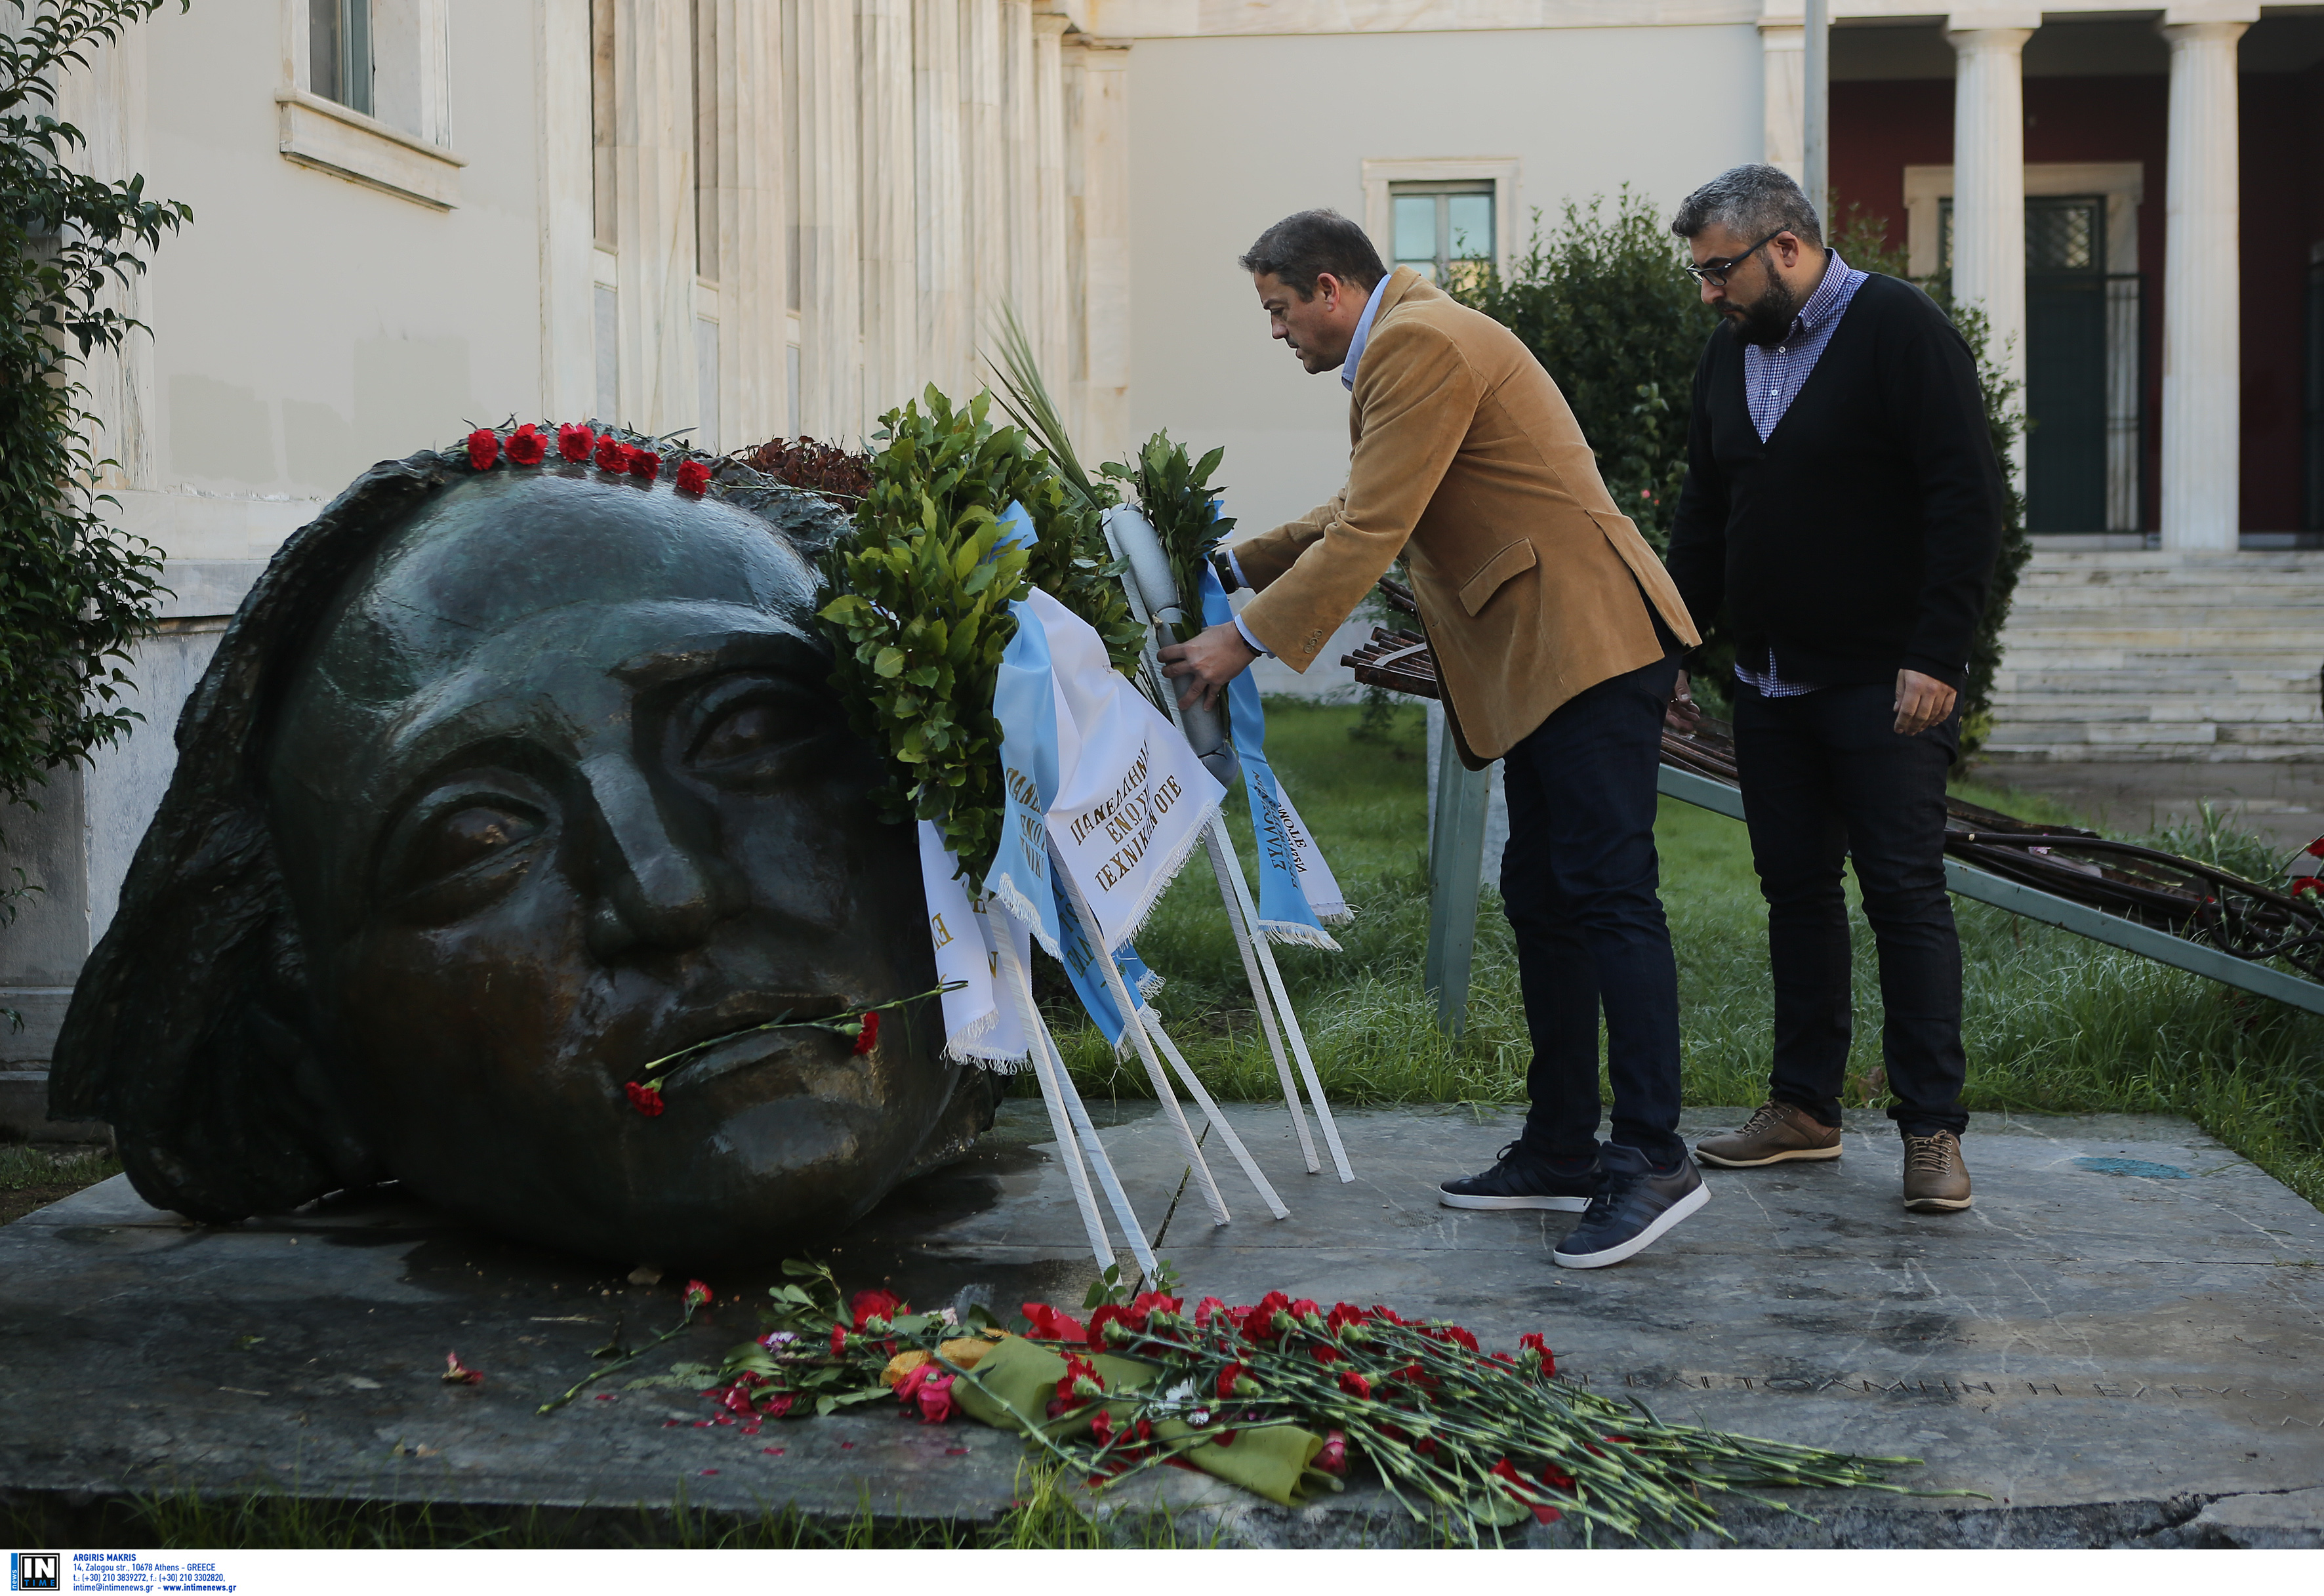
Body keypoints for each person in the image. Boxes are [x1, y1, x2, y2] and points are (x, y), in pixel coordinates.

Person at [1160, 209, 1709, 1269]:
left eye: (1278, 310)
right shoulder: (1408, 341)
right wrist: (1237, 561)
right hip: (1553, 651)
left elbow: (1372, 530)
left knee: (1606, 892)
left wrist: (1242, 639)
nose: (1276, 332)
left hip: (1584, 642)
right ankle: (1562, 1146)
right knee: (1546, 892)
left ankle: (1653, 1155)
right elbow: (1364, 505)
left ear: (1329, 289)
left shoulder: (1417, 342)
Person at [1662, 165, 2005, 1212]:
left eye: (1720, 271)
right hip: (1770, 683)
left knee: (1903, 894)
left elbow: (1966, 492)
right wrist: (1673, 639)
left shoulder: (1901, 328)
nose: (1709, 293)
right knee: (1797, 894)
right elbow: (1706, 512)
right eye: (1701, 276)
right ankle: (1805, 1109)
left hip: (1883, 683)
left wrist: (1940, 654)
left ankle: (1933, 1130)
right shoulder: (1729, 355)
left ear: (1789, 248)